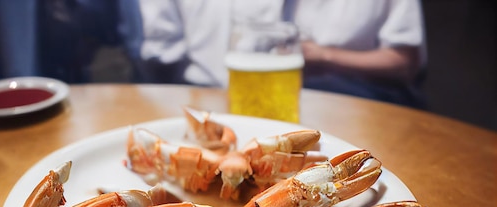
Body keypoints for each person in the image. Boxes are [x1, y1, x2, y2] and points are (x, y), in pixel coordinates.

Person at [133, 0, 427, 107]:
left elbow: (406, 62)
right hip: (208, 99)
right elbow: (162, 52)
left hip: (344, 104)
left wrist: (325, 56)